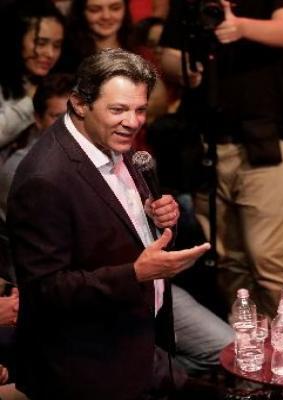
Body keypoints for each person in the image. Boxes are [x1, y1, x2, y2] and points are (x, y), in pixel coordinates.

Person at [7, 49, 211, 399]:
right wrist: (135, 274)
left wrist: (157, 219)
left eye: (140, 109)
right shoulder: (45, 178)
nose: (133, 122)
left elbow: (119, 229)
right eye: (118, 109)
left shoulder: (112, 142)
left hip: (137, 344)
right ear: (80, 103)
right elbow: (45, 290)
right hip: (86, 368)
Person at [160, 0, 283, 316]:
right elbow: (170, 54)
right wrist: (186, 70)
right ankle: (248, 350)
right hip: (209, 142)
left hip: (271, 142)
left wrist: (240, 27)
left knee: (270, 258)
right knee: (228, 261)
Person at [0, 73, 73, 220]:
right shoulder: (21, 170)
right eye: (57, 117)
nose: (68, 124)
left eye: (73, 115)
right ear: (38, 119)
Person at [0, 0, 65, 148]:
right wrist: (30, 102)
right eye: (41, 43)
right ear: (17, 40)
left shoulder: (58, 81)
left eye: (57, 45)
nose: (50, 53)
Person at [59, 0, 133, 72]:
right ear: (81, 12)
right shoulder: (66, 55)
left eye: (115, 8)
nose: (106, 16)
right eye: (95, 10)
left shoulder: (138, 45)